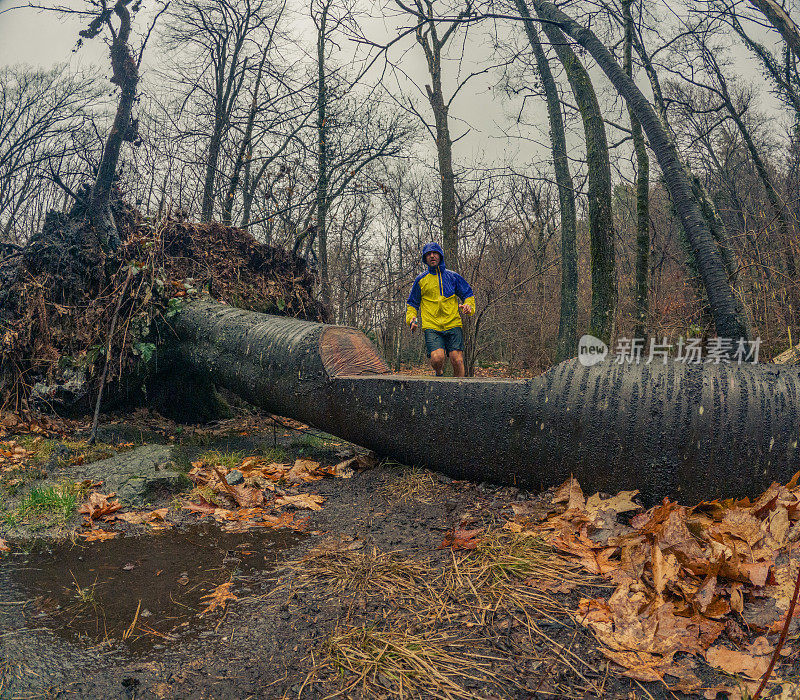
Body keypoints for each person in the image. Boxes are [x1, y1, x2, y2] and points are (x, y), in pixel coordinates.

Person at [406, 242, 475, 377]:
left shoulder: (453, 277)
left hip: (453, 323)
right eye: (428, 254)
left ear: (440, 256)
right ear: (425, 259)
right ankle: (439, 373)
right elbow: (412, 304)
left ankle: (458, 391)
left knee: (458, 360)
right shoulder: (421, 280)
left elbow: (468, 295)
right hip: (432, 326)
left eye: (435, 253)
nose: (432, 256)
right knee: (437, 358)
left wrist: (468, 307)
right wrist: (411, 320)